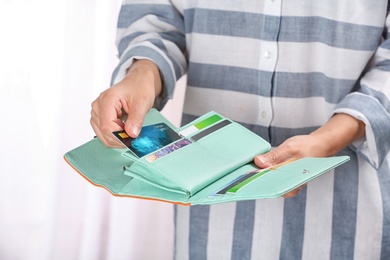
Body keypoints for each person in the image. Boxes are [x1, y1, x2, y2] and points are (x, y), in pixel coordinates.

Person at [91, 1, 390, 259]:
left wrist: (332, 137)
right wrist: (142, 72)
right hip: (210, 228)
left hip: (346, 219)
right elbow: (157, 15)